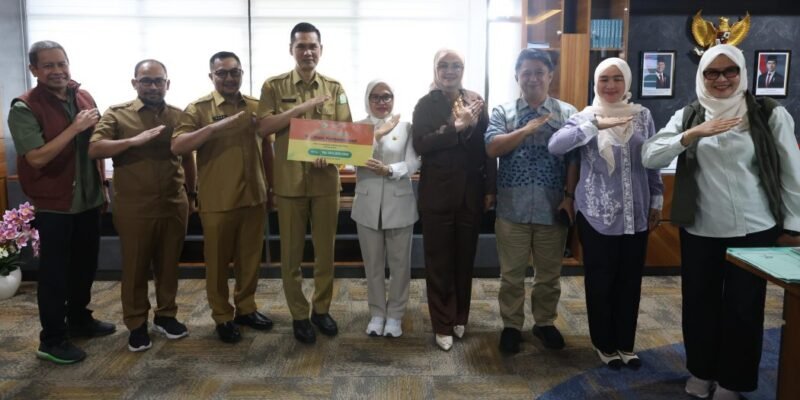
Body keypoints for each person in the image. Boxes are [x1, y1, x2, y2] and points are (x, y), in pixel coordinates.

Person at [642, 44, 800, 399]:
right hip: (701, 228)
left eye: (730, 71)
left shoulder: (768, 114)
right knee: (699, 304)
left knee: (744, 310)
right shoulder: (690, 114)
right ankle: (701, 371)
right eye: (712, 72)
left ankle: (733, 381)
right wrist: (691, 135)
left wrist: (795, 227)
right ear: (702, 76)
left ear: (743, 73)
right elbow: (649, 155)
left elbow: (793, 173)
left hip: (754, 229)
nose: (722, 79)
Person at [549, 57, 663, 368]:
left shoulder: (643, 116)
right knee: (601, 282)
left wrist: (656, 200)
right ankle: (604, 344)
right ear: (595, 83)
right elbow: (555, 145)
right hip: (597, 214)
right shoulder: (585, 116)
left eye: (617, 79)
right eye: (604, 79)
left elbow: (652, 159)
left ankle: (626, 343)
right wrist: (593, 126)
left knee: (630, 281)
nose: (610, 85)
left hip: (636, 214)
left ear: (627, 82)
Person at [7, 40, 115, 364]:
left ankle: (79, 319)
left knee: (85, 265)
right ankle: (51, 339)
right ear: (34, 70)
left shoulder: (82, 95)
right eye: (49, 66)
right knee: (55, 274)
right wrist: (74, 127)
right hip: (54, 203)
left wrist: (102, 184)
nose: (58, 71)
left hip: (88, 199)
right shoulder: (23, 107)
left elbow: (93, 145)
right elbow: (37, 159)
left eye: (61, 64)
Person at [88, 59, 196, 352]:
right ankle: (136, 324)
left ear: (167, 84)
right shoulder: (118, 114)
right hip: (134, 206)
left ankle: (166, 315)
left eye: (158, 80)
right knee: (135, 268)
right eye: (146, 81)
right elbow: (95, 149)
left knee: (169, 264)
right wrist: (133, 141)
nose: (152, 86)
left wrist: (192, 192)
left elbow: (187, 156)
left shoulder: (178, 115)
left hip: (174, 202)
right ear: (134, 83)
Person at [257, 22, 352, 344]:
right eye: (301, 46)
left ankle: (321, 310)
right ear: (291, 50)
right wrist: (300, 109)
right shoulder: (274, 86)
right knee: (292, 256)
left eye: (313, 46)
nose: (307, 51)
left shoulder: (335, 88)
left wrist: (335, 155)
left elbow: (346, 132)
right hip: (290, 182)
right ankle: (299, 315)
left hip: (325, 181)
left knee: (325, 253)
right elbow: (264, 127)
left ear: (321, 50)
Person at [172, 51, 272, 344]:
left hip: (254, 196)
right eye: (222, 73)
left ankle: (246, 308)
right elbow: (178, 146)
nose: (229, 78)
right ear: (211, 76)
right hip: (217, 200)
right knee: (216, 264)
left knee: (250, 260)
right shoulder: (198, 109)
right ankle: (222, 316)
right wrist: (213, 127)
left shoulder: (256, 106)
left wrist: (272, 187)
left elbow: (267, 147)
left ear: (242, 74)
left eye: (234, 72)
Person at [484, 49, 578, 354]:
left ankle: (544, 323)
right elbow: (493, 148)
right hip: (513, 209)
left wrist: (570, 197)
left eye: (539, 72)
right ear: (517, 77)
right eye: (526, 72)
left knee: (549, 276)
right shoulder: (503, 112)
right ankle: (512, 326)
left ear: (550, 76)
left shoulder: (568, 113)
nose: (533, 78)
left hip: (554, 207)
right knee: (511, 276)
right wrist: (526, 130)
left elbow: (575, 159)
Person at [412, 49, 496, 351]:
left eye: (456, 65)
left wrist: (491, 189)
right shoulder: (425, 104)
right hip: (437, 194)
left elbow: (488, 147)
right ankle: (442, 322)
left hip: (471, 194)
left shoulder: (476, 101)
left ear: (463, 69)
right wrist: (455, 128)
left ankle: (461, 314)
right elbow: (421, 143)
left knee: (464, 259)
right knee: (439, 262)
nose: (450, 70)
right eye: (443, 65)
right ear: (435, 69)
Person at [351, 79, 420, 338]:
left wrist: (391, 169)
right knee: (373, 265)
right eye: (376, 97)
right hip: (367, 205)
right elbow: (353, 158)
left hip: (399, 204)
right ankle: (377, 313)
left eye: (387, 97)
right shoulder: (358, 127)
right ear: (368, 99)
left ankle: (395, 316)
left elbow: (415, 162)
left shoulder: (406, 127)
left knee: (400, 265)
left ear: (393, 99)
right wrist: (377, 133)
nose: (382, 102)